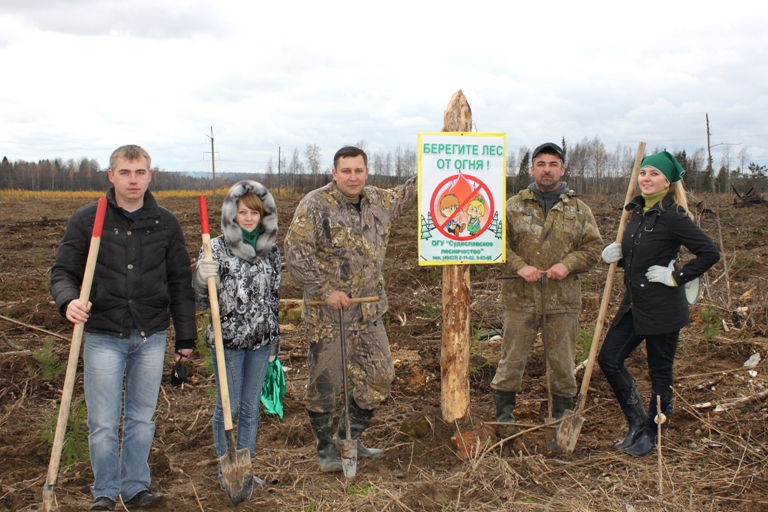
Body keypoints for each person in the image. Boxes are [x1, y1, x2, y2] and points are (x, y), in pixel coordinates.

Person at [50, 145, 197, 511]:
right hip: (103, 333)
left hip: (151, 334)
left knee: (141, 418)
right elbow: (63, 271)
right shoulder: (88, 220)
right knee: (102, 421)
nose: (133, 180)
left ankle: (134, 487)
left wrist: (185, 338)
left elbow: (180, 282)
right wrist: (68, 301)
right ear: (111, 176)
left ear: (150, 176)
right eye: (125, 172)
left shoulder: (165, 223)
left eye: (140, 172)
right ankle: (104, 491)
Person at [284, 146, 417, 472]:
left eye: (358, 170)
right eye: (346, 171)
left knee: (380, 377)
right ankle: (326, 449)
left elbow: (412, 191)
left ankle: (350, 437)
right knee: (325, 386)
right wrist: (325, 291)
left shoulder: (379, 201)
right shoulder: (315, 205)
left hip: (368, 313)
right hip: (328, 316)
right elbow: (295, 253)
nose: (353, 177)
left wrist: (439, 152)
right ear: (335, 173)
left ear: (366, 172)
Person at [598, 151, 719, 457]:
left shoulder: (673, 215)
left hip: (663, 309)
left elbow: (710, 253)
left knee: (660, 373)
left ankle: (653, 432)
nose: (646, 178)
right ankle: (636, 421)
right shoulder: (636, 212)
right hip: (634, 304)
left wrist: (676, 277)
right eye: (643, 173)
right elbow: (642, 255)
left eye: (654, 174)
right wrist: (619, 257)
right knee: (609, 359)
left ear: (668, 182)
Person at [491, 142, 603, 430]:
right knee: (511, 361)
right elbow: (495, 243)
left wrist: (568, 264)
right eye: (541, 164)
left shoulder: (578, 210)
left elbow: (594, 247)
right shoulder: (512, 207)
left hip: (562, 301)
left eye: (553, 165)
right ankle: (504, 420)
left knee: (563, 365)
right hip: (520, 299)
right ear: (532, 169)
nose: (547, 170)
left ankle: (560, 421)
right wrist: (520, 266)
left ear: (562, 170)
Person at [193, 180, 281, 489]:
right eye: (242, 212)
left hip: (260, 342)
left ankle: (245, 470)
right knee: (228, 408)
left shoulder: (271, 251)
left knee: (251, 407)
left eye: (254, 212)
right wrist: (201, 278)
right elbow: (200, 302)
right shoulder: (215, 248)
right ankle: (226, 469)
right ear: (232, 213)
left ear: (263, 215)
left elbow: (274, 299)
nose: (248, 218)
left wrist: (274, 343)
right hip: (227, 342)